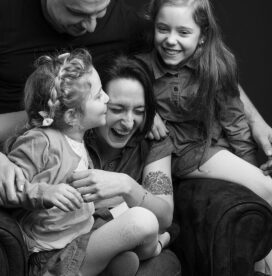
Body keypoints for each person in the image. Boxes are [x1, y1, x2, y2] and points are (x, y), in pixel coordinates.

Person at [0, 0, 272, 176]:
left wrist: (254, 119)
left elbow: (205, 60)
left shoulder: (124, 24)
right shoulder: (6, 4)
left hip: (75, 159)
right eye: (76, 13)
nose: (90, 26)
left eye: (100, 11)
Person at [135, 0, 272, 276]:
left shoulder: (217, 66)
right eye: (163, 29)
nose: (170, 40)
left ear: (202, 37)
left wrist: (248, 170)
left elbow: (235, 121)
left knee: (264, 186)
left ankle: (264, 269)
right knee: (159, 214)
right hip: (158, 153)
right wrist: (146, 111)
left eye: (183, 32)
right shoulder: (139, 67)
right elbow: (121, 95)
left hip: (199, 151)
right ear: (153, 26)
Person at [1, 54, 178, 276]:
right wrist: (9, 165)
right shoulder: (46, 136)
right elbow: (12, 183)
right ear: (73, 114)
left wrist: (126, 186)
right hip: (52, 252)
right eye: (115, 106)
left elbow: (164, 218)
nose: (129, 122)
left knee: (141, 222)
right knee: (142, 221)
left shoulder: (79, 136)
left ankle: (120, 261)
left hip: (84, 233)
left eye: (140, 111)